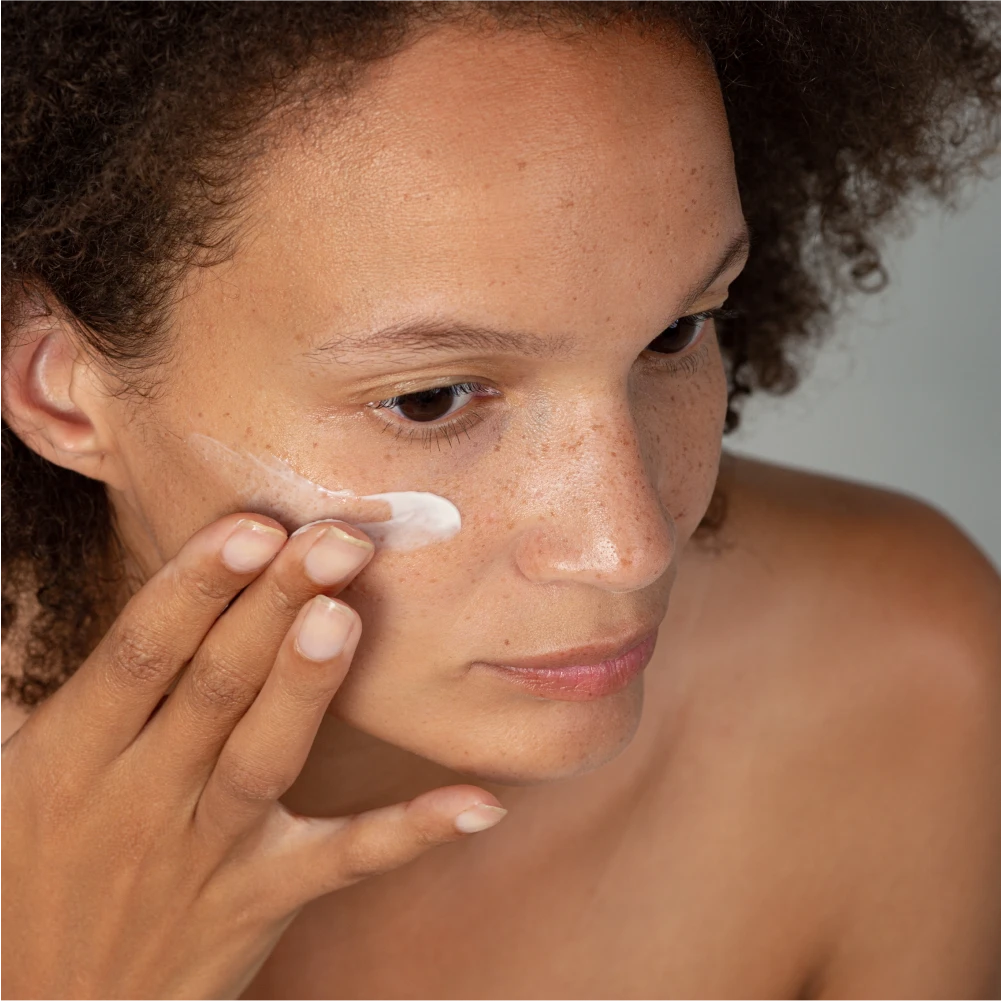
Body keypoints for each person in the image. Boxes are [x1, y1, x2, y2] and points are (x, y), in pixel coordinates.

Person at [2, 2, 1001, 999]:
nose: (629, 545)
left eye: (674, 333)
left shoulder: (891, 684)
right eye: (430, 398)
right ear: (63, 393)